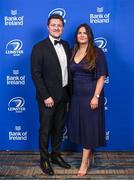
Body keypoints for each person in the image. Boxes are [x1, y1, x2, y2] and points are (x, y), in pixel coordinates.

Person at [31, 14, 71, 176]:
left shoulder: (67, 45)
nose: (56, 27)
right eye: (53, 25)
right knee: (46, 129)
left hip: (63, 96)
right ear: (48, 27)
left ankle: (55, 155)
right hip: (47, 98)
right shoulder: (39, 47)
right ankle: (44, 159)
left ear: (63, 27)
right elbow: (36, 74)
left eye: (59, 25)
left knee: (59, 128)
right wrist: (46, 96)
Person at [68, 23, 108, 176]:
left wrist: (96, 97)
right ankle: (89, 155)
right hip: (76, 96)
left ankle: (84, 162)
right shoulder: (73, 51)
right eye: (79, 33)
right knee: (80, 126)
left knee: (89, 129)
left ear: (89, 35)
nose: (82, 35)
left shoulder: (97, 52)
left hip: (91, 96)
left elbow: (102, 76)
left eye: (85, 33)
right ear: (76, 36)